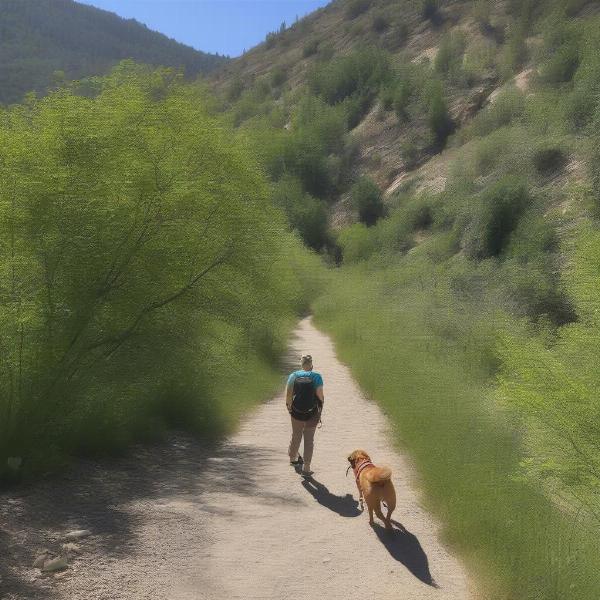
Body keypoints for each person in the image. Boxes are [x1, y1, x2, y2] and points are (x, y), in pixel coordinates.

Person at [286, 354, 324, 477]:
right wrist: (320, 407)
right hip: (312, 412)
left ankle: (293, 459)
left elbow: (288, 395)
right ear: (311, 364)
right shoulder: (317, 376)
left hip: (296, 411)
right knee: (309, 440)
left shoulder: (293, 376)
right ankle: (307, 468)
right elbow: (320, 396)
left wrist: (290, 408)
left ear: (301, 364)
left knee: (296, 434)